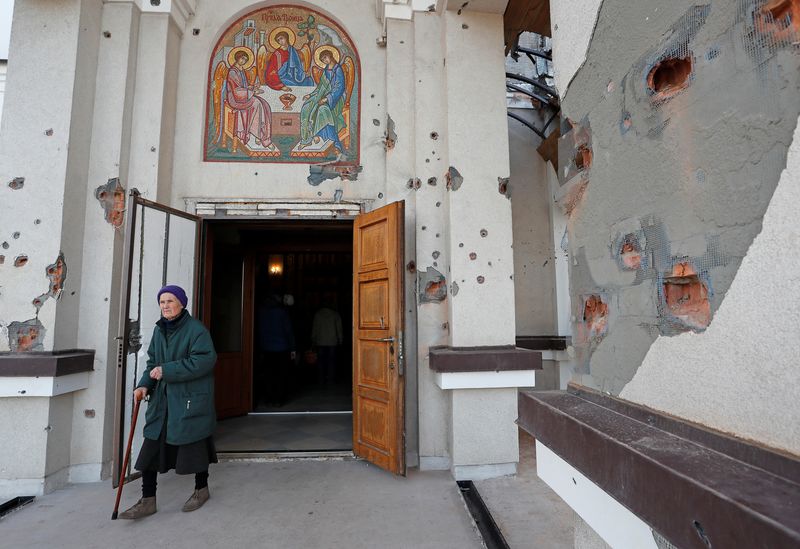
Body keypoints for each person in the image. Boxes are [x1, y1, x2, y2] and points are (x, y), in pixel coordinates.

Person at [118, 285, 218, 519]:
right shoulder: (159, 330)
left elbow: (205, 360)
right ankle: (147, 500)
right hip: (162, 400)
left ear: (182, 303)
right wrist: (144, 385)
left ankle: (201, 489)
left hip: (188, 399)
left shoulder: (196, 330)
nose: (165, 306)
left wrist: (167, 371)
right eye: (162, 302)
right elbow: (153, 362)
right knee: (151, 447)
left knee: (196, 446)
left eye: (170, 301)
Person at [298, 47, 346, 154]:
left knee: (323, 109)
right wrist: (310, 95)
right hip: (323, 95)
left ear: (330, 55)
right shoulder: (326, 70)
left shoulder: (337, 70)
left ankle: (334, 141)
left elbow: (340, 88)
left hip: (336, 99)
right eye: (322, 59)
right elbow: (320, 88)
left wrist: (327, 98)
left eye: (325, 57)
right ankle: (306, 139)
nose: (325, 60)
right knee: (307, 107)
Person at [224, 48, 273, 149]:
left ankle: (259, 132)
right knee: (257, 103)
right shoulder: (233, 72)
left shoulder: (241, 70)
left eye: (245, 59)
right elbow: (236, 90)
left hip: (242, 95)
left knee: (263, 103)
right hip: (235, 98)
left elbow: (243, 86)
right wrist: (253, 92)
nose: (243, 61)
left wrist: (253, 87)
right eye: (242, 58)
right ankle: (258, 134)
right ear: (237, 58)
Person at [256, 294, 296, 406]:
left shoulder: (260, 312)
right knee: (281, 375)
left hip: (266, 348)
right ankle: (278, 399)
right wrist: (293, 348)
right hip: (281, 348)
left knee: (268, 374)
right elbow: (288, 331)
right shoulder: (282, 312)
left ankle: (269, 398)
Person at [311, 293, 343, 385]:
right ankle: (331, 380)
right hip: (332, 342)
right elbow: (339, 329)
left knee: (321, 362)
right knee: (331, 362)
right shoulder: (335, 314)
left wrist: (313, 339)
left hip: (320, 341)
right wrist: (340, 340)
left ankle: (321, 380)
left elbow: (315, 328)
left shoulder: (318, 314)